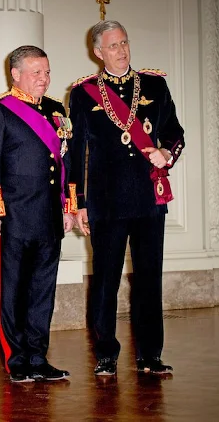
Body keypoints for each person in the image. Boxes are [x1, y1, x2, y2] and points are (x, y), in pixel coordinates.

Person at [68, 20, 185, 376]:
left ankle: (150, 354)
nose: (121, 50)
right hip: (106, 201)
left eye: (124, 43)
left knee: (149, 277)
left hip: (149, 198)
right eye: (113, 46)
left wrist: (167, 154)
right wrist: (79, 203)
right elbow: (76, 153)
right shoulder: (83, 92)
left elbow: (175, 133)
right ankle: (106, 353)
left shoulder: (154, 84)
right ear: (98, 52)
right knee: (105, 280)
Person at [0, 46, 75, 383]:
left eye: (46, 71)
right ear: (15, 74)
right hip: (13, 217)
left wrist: (68, 206)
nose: (43, 78)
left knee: (43, 290)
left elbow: (65, 165)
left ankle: (38, 356)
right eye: (35, 72)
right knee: (14, 289)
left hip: (48, 215)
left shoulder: (57, 111)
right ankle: (17, 359)